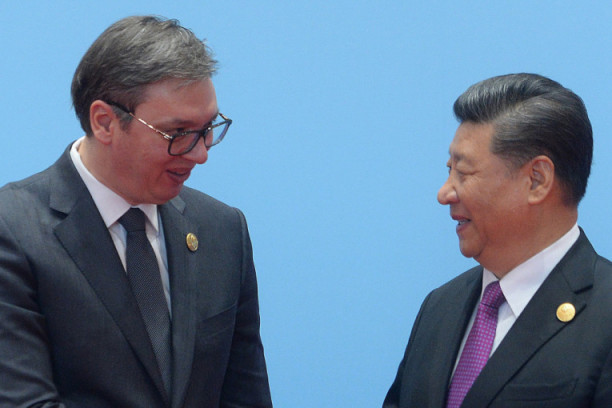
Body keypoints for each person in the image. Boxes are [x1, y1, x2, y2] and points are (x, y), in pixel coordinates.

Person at [0, 15, 272, 408]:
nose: (200, 154)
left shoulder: (222, 230)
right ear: (105, 122)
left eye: (208, 128)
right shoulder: (13, 230)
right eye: (179, 134)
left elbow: (245, 397)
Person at [383, 73, 612, 407]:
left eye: (464, 173)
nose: (444, 193)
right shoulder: (440, 307)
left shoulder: (604, 315)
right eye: (449, 170)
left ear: (537, 180)